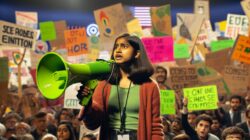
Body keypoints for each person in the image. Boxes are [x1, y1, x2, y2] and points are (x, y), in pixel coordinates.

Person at [77, 33, 163, 140]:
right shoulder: (104, 84)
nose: (118, 50)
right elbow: (92, 124)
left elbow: (155, 126)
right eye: (116, 46)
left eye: (124, 46)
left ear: (137, 53)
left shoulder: (150, 86)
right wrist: (88, 103)